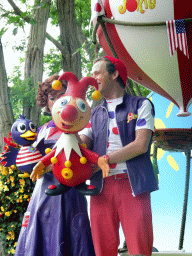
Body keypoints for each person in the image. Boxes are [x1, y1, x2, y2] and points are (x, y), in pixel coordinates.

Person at [79, 56, 159, 256]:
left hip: (133, 185)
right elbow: (81, 144)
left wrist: (104, 160)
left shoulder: (141, 104)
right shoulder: (93, 113)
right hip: (101, 188)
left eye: (97, 73)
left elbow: (141, 145)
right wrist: (67, 130)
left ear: (114, 74)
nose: (92, 78)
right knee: (102, 251)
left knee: (140, 249)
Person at [15, 75, 96, 256]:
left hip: (69, 193)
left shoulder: (82, 126)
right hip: (42, 193)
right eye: (52, 98)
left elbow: (81, 154)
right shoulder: (40, 130)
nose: (58, 101)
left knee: (72, 238)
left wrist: (46, 164)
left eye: (62, 95)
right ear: (46, 102)